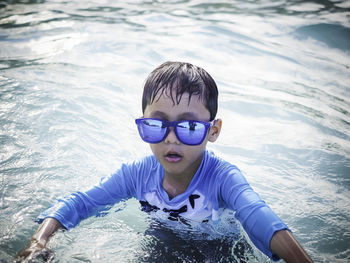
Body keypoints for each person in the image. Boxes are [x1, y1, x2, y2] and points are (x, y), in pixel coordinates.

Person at [16, 62, 313, 262]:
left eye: (189, 128)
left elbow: (263, 221)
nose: (171, 139)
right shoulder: (136, 174)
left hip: (219, 251)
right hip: (160, 241)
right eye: (157, 126)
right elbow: (78, 203)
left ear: (213, 131)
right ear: (142, 125)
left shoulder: (224, 179)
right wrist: (38, 242)